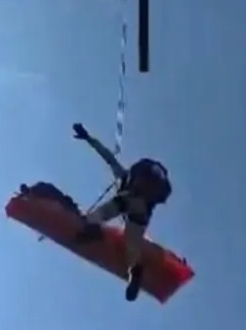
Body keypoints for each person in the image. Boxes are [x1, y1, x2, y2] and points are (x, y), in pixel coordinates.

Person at [71, 123, 173, 302]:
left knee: (112, 209)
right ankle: (135, 270)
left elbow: (108, 157)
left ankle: (92, 229)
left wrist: (88, 138)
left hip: (129, 204)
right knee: (131, 245)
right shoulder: (141, 184)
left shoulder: (124, 176)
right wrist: (88, 138)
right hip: (141, 217)